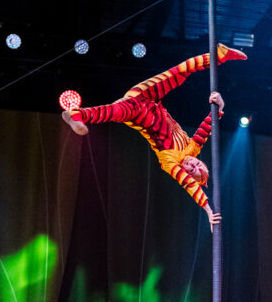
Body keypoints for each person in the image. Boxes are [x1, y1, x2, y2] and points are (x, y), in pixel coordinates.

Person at [62, 44, 248, 226]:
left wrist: (208, 210)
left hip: (138, 115)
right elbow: (207, 127)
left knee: (115, 111)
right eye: (197, 164)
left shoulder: (170, 162)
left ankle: (77, 115)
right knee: (177, 73)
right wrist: (220, 107)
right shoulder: (193, 148)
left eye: (191, 170)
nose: (191, 164)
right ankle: (219, 54)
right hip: (148, 97)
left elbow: (189, 185)